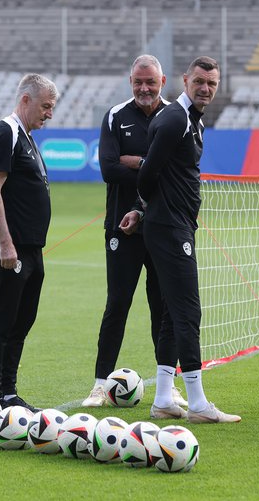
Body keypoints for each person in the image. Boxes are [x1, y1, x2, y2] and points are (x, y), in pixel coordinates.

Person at [121, 56, 241, 424]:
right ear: (186, 80)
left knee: (173, 313)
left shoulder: (190, 120)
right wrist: (153, 210)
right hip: (170, 228)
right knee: (188, 311)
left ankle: (162, 399)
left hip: (175, 225)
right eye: (200, 81)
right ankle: (199, 402)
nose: (206, 88)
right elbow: (147, 173)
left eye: (212, 84)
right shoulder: (175, 119)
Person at [82, 55, 188, 409]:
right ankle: (100, 384)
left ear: (163, 81)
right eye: (138, 82)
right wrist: (151, 164)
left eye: (151, 82)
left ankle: (167, 385)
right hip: (121, 228)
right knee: (118, 304)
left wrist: (137, 161)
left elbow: (175, 170)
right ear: (131, 81)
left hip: (161, 226)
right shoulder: (115, 115)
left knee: (164, 306)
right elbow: (109, 169)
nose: (144, 89)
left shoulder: (175, 117)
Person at [0, 73, 58, 412]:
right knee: (3, 317)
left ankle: (9, 391)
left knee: (23, 318)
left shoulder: (26, 136)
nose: (49, 114)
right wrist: (5, 245)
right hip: (12, 248)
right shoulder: (5, 132)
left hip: (32, 247)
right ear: (25, 100)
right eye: (45, 106)